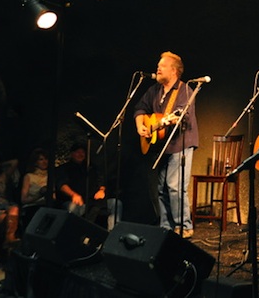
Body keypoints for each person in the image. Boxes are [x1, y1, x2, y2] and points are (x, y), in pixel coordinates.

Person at [133, 51, 199, 239]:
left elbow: (182, 115)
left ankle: (184, 226)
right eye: (158, 65)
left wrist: (167, 120)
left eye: (162, 65)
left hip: (180, 142)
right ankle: (166, 226)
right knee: (161, 187)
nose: (158, 68)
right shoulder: (154, 90)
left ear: (174, 71)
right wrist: (141, 127)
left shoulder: (185, 90)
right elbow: (139, 108)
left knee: (175, 186)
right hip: (162, 145)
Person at [56, 143, 122, 231]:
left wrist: (102, 190)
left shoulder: (91, 167)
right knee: (71, 207)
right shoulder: (64, 168)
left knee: (115, 203)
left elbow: (102, 180)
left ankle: (112, 234)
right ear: (72, 154)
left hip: (94, 201)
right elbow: (61, 185)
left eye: (82, 152)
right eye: (77, 152)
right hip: (76, 202)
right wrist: (73, 195)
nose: (80, 154)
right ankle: (75, 236)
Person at [20, 148, 50, 227]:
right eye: (41, 159)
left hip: (48, 206)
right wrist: (40, 194)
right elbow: (23, 199)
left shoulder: (50, 176)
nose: (44, 162)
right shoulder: (29, 177)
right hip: (32, 207)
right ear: (35, 162)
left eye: (46, 159)